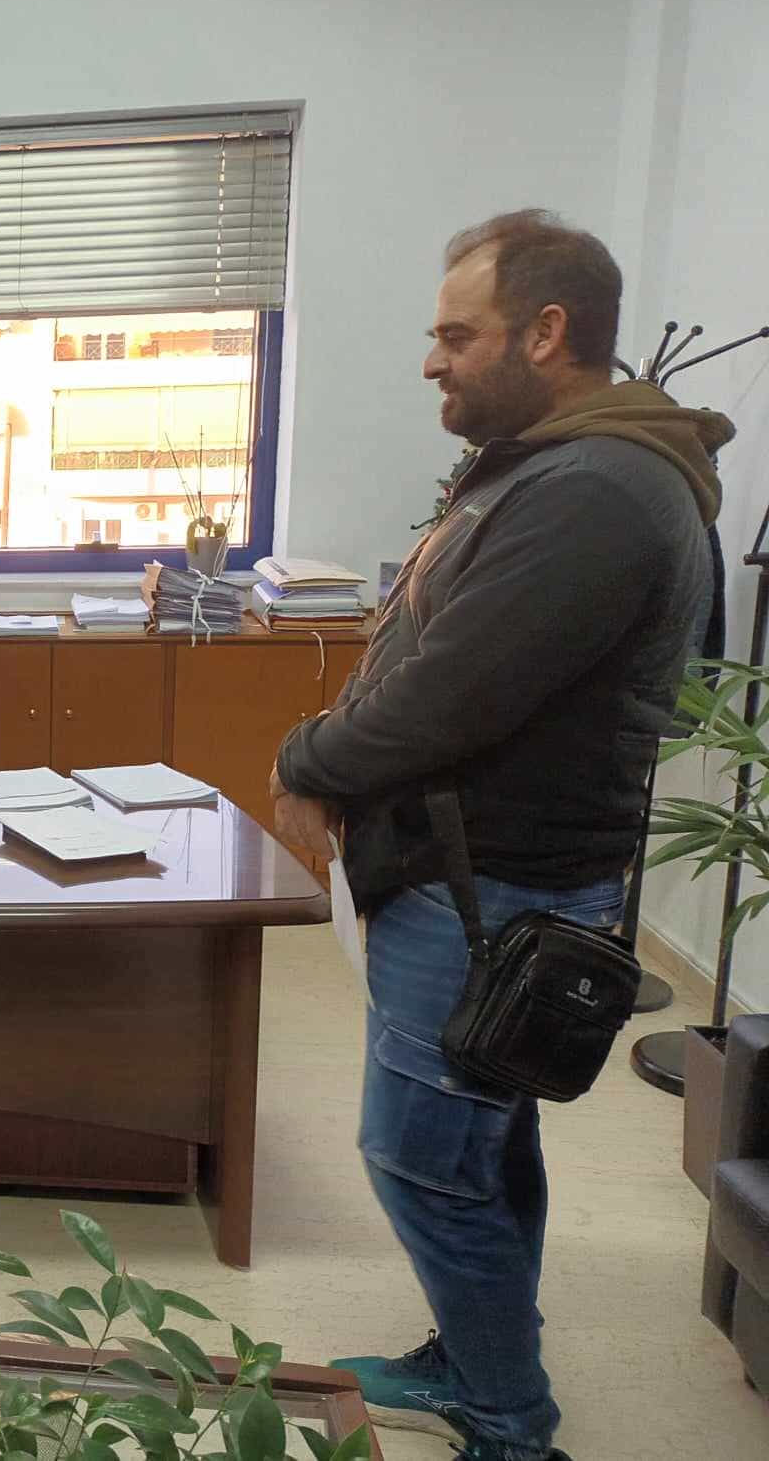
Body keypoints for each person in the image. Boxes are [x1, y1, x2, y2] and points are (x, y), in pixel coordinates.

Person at [271, 211, 731, 1461]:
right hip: (482, 880)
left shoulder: (595, 489)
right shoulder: (563, 467)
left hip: (486, 893)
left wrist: (304, 760)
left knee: (419, 1159)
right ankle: (473, 1362)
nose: (430, 360)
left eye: (454, 335)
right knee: (484, 1137)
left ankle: (508, 1423)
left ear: (545, 332)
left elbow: (448, 695)